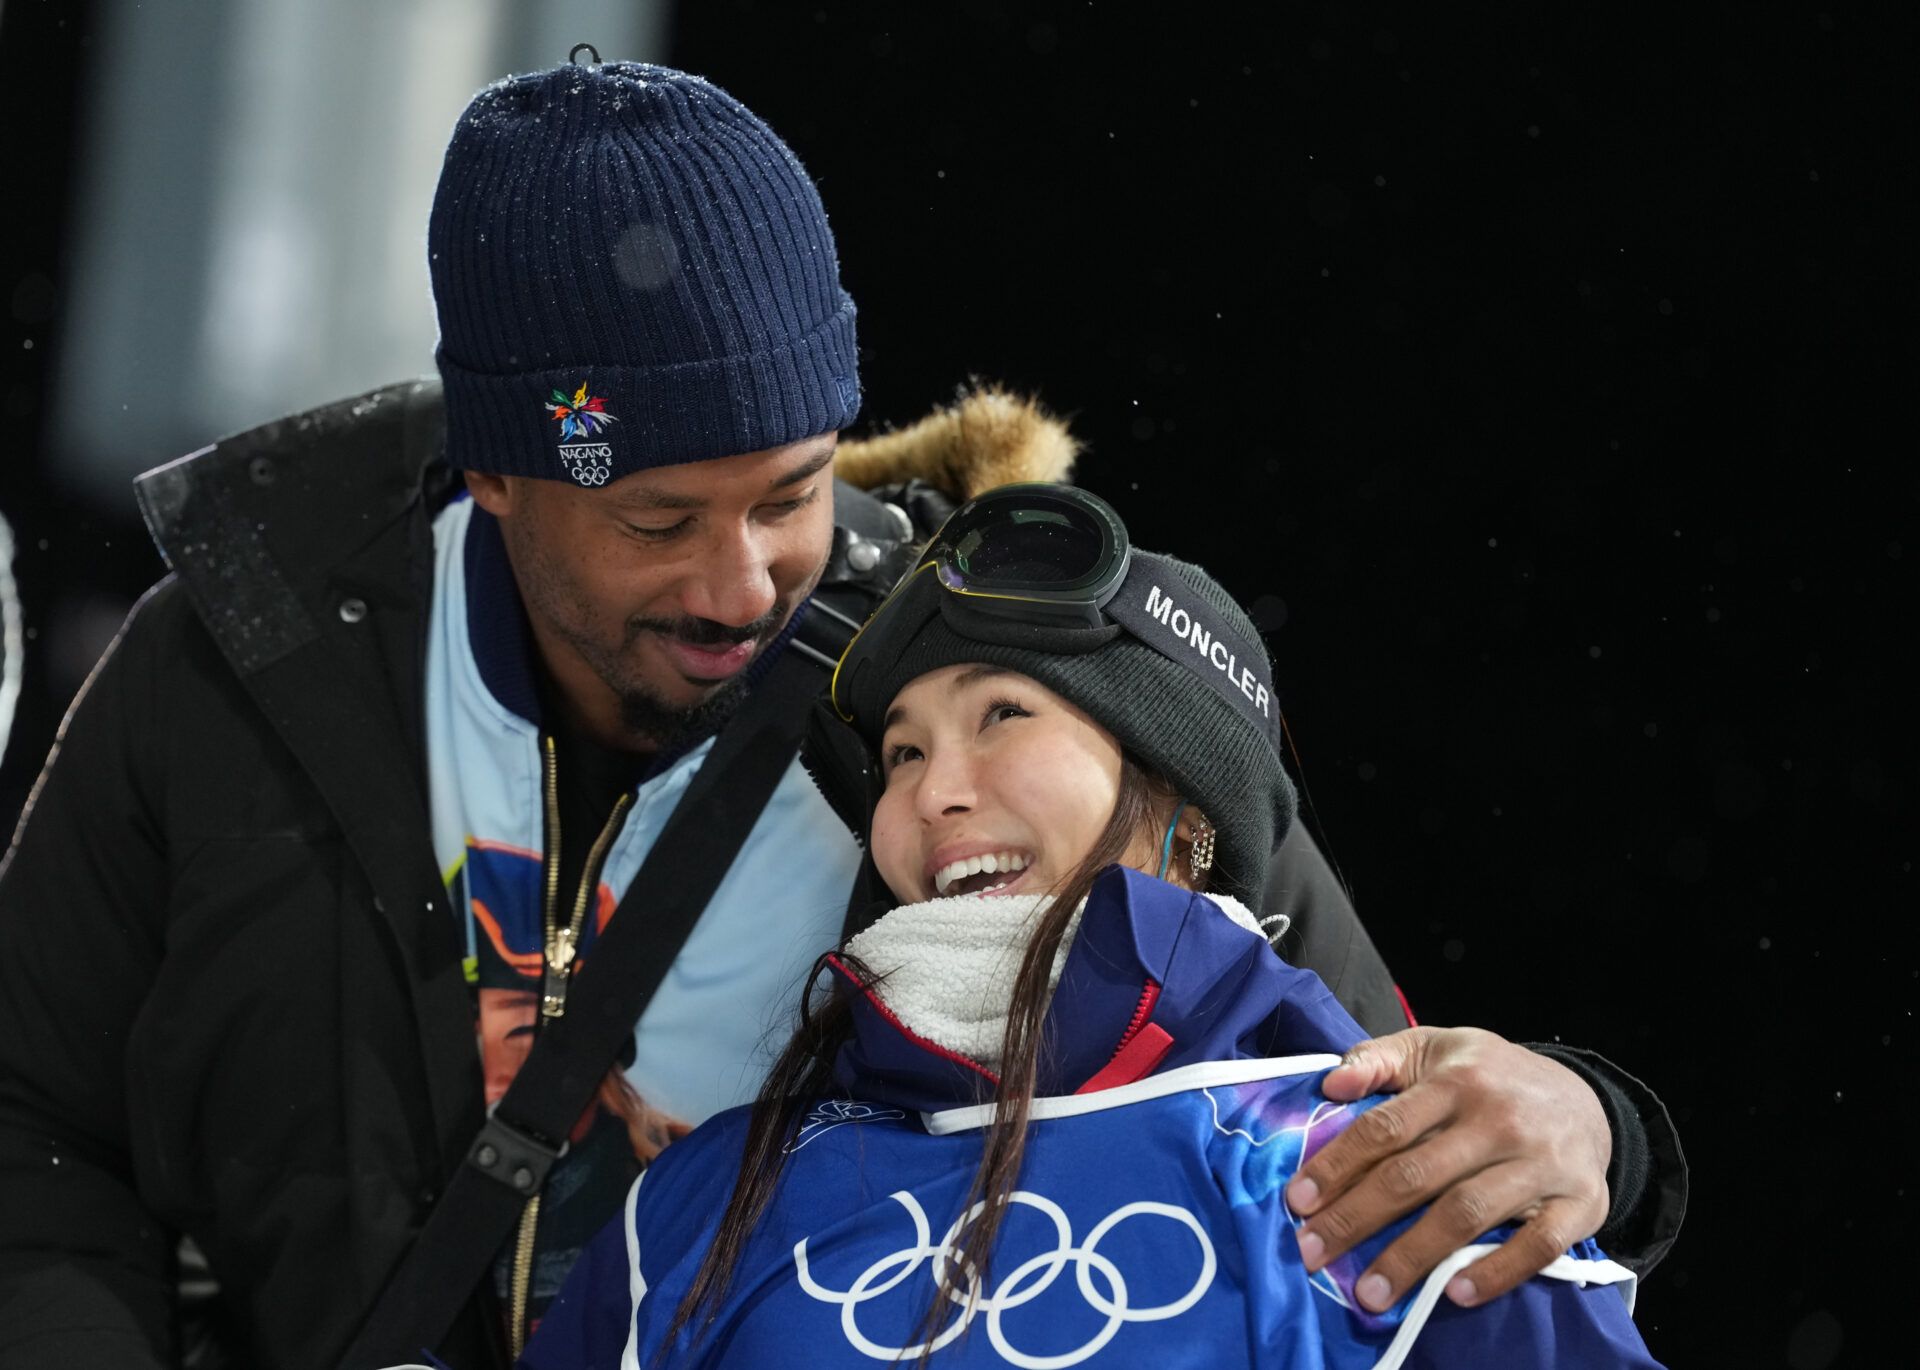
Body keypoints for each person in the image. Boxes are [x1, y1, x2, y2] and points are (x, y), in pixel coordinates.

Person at [0, 56, 1680, 1370]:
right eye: (660, 520)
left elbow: (1341, 1064)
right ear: (498, 470)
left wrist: (1597, 1120)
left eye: (792, 491)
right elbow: (33, 1126)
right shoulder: (238, 665)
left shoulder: (954, 685)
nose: (745, 581)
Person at [518, 484, 1661, 1368]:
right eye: (904, 750)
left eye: (1003, 715)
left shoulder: (1387, 1168)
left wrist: (1603, 1117)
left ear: (1183, 807)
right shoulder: (709, 1192)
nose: (928, 793)